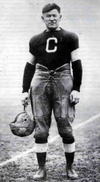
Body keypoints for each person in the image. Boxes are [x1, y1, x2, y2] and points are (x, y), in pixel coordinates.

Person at [22, 3, 82, 180]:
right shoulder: (35, 39)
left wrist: (77, 89)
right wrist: (24, 90)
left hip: (63, 80)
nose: (52, 18)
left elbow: (77, 64)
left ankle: (69, 167)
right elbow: (29, 66)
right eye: (48, 16)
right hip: (40, 80)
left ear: (60, 16)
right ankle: (41, 168)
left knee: (65, 127)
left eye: (55, 15)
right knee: (40, 129)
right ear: (43, 18)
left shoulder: (70, 37)